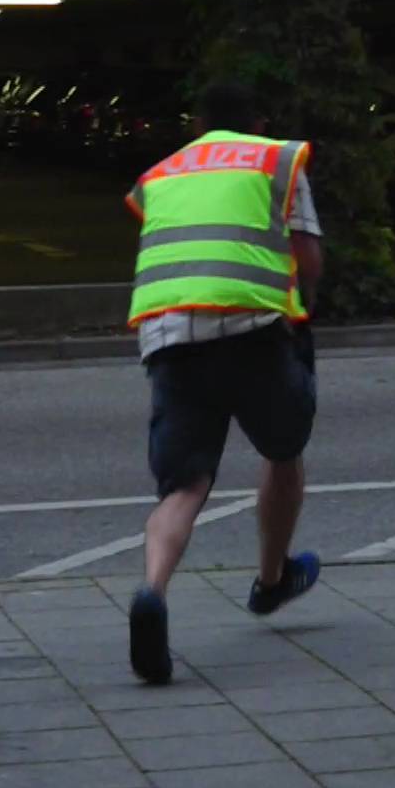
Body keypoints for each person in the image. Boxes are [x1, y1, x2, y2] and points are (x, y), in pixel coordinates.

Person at [122, 80, 325, 685]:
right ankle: (270, 580)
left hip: (169, 337)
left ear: (197, 123)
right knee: (283, 451)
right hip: (254, 329)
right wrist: (303, 308)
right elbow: (308, 258)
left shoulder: (164, 172)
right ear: (257, 119)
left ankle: (152, 590)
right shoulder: (275, 159)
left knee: (183, 486)